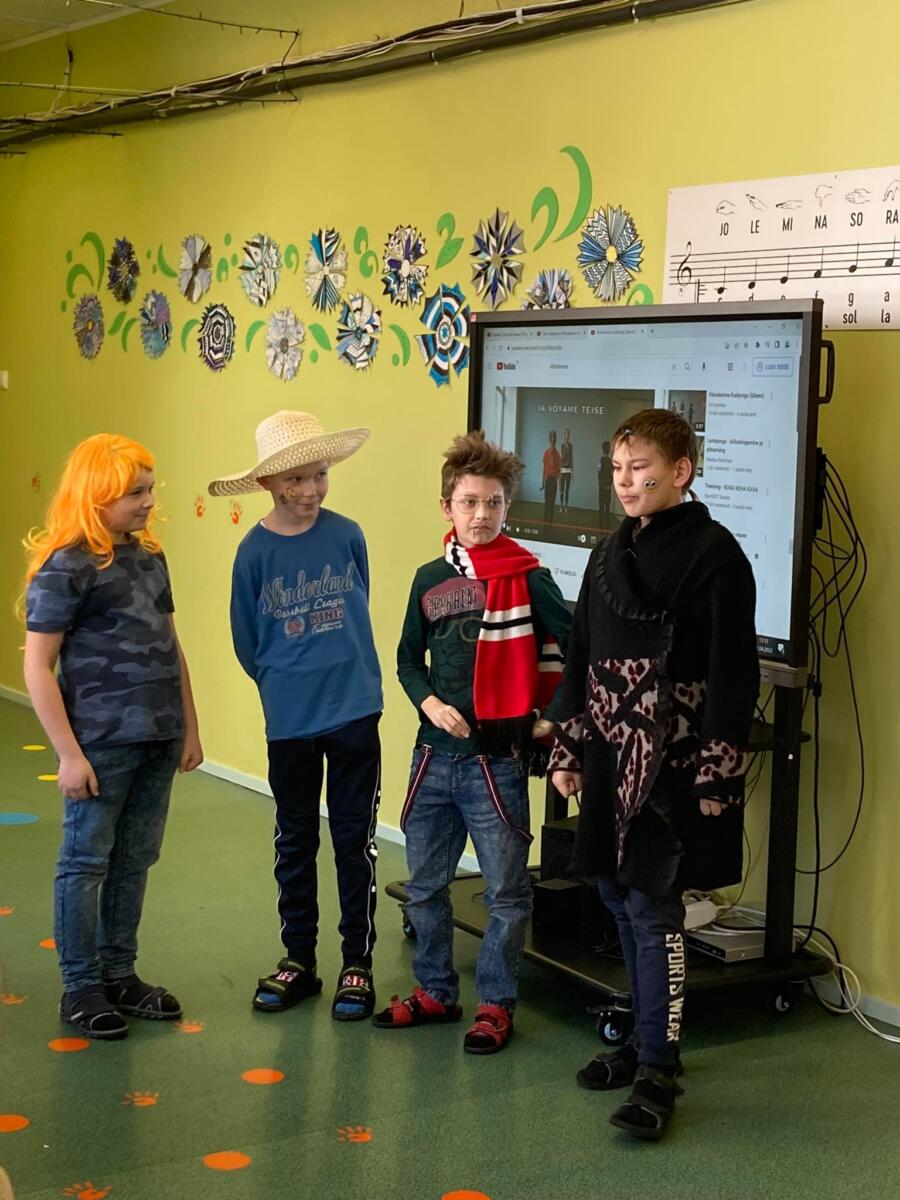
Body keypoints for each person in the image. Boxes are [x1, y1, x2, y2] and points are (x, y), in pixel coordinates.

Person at [549, 409, 758, 1140]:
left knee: (651, 906)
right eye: (617, 469)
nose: (626, 482)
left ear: (680, 472)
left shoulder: (715, 555)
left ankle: (659, 1071)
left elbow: (734, 670)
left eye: (640, 469)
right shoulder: (609, 553)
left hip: (673, 763)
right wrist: (569, 746)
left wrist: (717, 772)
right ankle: (641, 1043)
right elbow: (580, 654)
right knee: (613, 892)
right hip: (610, 756)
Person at [377, 431, 571, 1053]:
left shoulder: (530, 578)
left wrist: (548, 718)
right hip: (433, 757)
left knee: (506, 893)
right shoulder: (428, 579)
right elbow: (407, 660)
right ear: (447, 507)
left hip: (498, 764)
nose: (481, 515)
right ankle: (436, 990)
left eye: (493, 503)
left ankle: (494, 1004)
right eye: (468, 502)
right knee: (425, 886)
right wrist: (429, 702)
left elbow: (577, 648)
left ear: (507, 507)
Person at [23, 434, 203, 1040]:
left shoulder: (149, 556)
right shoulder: (66, 565)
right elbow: (37, 667)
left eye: (150, 489)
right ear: (96, 496)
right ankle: (81, 985)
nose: (150, 501)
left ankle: (120, 973)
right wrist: (68, 755)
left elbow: (172, 646)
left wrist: (189, 726)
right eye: (135, 493)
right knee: (86, 862)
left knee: (135, 859)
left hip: (158, 735)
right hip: (100, 743)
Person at [210, 410, 383, 1021]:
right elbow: (246, 641)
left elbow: (361, 603)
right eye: (296, 480)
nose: (310, 490)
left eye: (320, 475)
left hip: (355, 709)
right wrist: (285, 685)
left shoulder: (348, 535)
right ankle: (299, 960)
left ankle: (357, 962)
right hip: (289, 718)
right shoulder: (253, 553)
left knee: (354, 840)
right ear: (268, 482)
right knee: (295, 838)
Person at [541, 430, 562, 526]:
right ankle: (545, 521)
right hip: (548, 480)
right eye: (552, 437)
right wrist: (542, 482)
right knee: (547, 502)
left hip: (553, 480)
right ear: (550, 439)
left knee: (552, 503)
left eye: (554, 437)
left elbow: (559, 470)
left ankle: (550, 523)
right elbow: (544, 468)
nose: (553, 439)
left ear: (555, 440)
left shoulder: (557, 454)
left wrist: (560, 484)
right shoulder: (546, 453)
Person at [597, 440, 613, 527]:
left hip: (602, 486)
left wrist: (600, 482)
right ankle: (607, 525)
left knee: (601, 506)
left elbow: (599, 473)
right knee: (607, 507)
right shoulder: (611, 461)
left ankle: (600, 525)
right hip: (608, 487)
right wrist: (610, 483)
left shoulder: (600, 461)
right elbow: (612, 474)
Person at [559, 429, 574, 512]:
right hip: (562, 469)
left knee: (567, 490)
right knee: (562, 490)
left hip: (568, 470)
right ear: (564, 435)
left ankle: (566, 506)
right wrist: (559, 471)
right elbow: (561, 458)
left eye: (568, 434)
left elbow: (571, 458)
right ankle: (561, 506)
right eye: (566, 434)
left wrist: (572, 471)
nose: (567, 436)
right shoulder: (562, 446)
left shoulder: (571, 446)